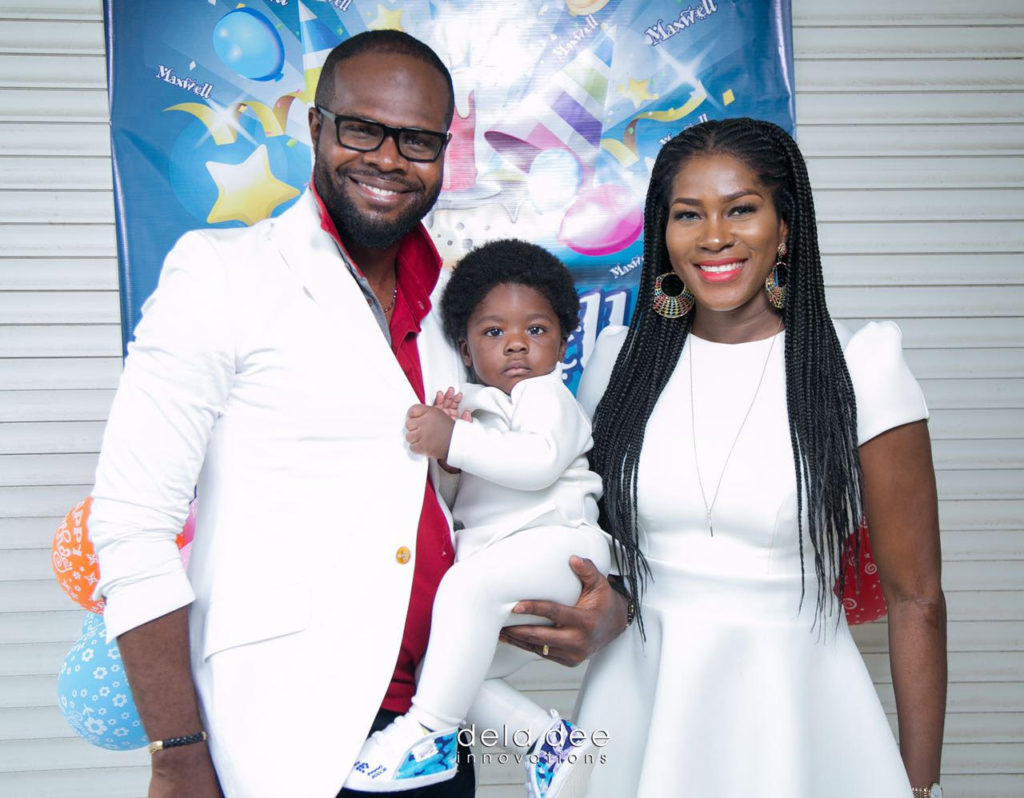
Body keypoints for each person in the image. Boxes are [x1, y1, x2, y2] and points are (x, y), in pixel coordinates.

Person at [88, 31, 625, 798]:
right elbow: (132, 523)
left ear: (444, 152)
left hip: (429, 727)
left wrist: (609, 602)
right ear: (316, 128)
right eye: (362, 129)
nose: (388, 159)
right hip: (283, 730)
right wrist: (176, 752)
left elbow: (520, 477)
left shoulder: (456, 312)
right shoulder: (222, 276)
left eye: (417, 140)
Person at [571, 118, 946, 797]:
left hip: (794, 711)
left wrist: (923, 788)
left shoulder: (862, 368)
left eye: (741, 209)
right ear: (663, 233)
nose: (714, 236)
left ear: (785, 228)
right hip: (639, 702)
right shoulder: (616, 367)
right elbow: (590, 551)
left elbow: (915, 597)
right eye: (689, 214)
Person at [344, 240, 611, 797]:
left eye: (536, 329)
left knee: (464, 590)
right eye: (493, 332)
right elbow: (459, 499)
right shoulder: (479, 406)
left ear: (563, 342)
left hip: (561, 546)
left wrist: (456, 441)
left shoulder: (545, 396)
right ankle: (549, 744)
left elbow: (537, 463)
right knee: (450, 672)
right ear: (465, 349)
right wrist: (449, 456)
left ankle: (427, 735)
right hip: (514, 561)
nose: (516, 343)